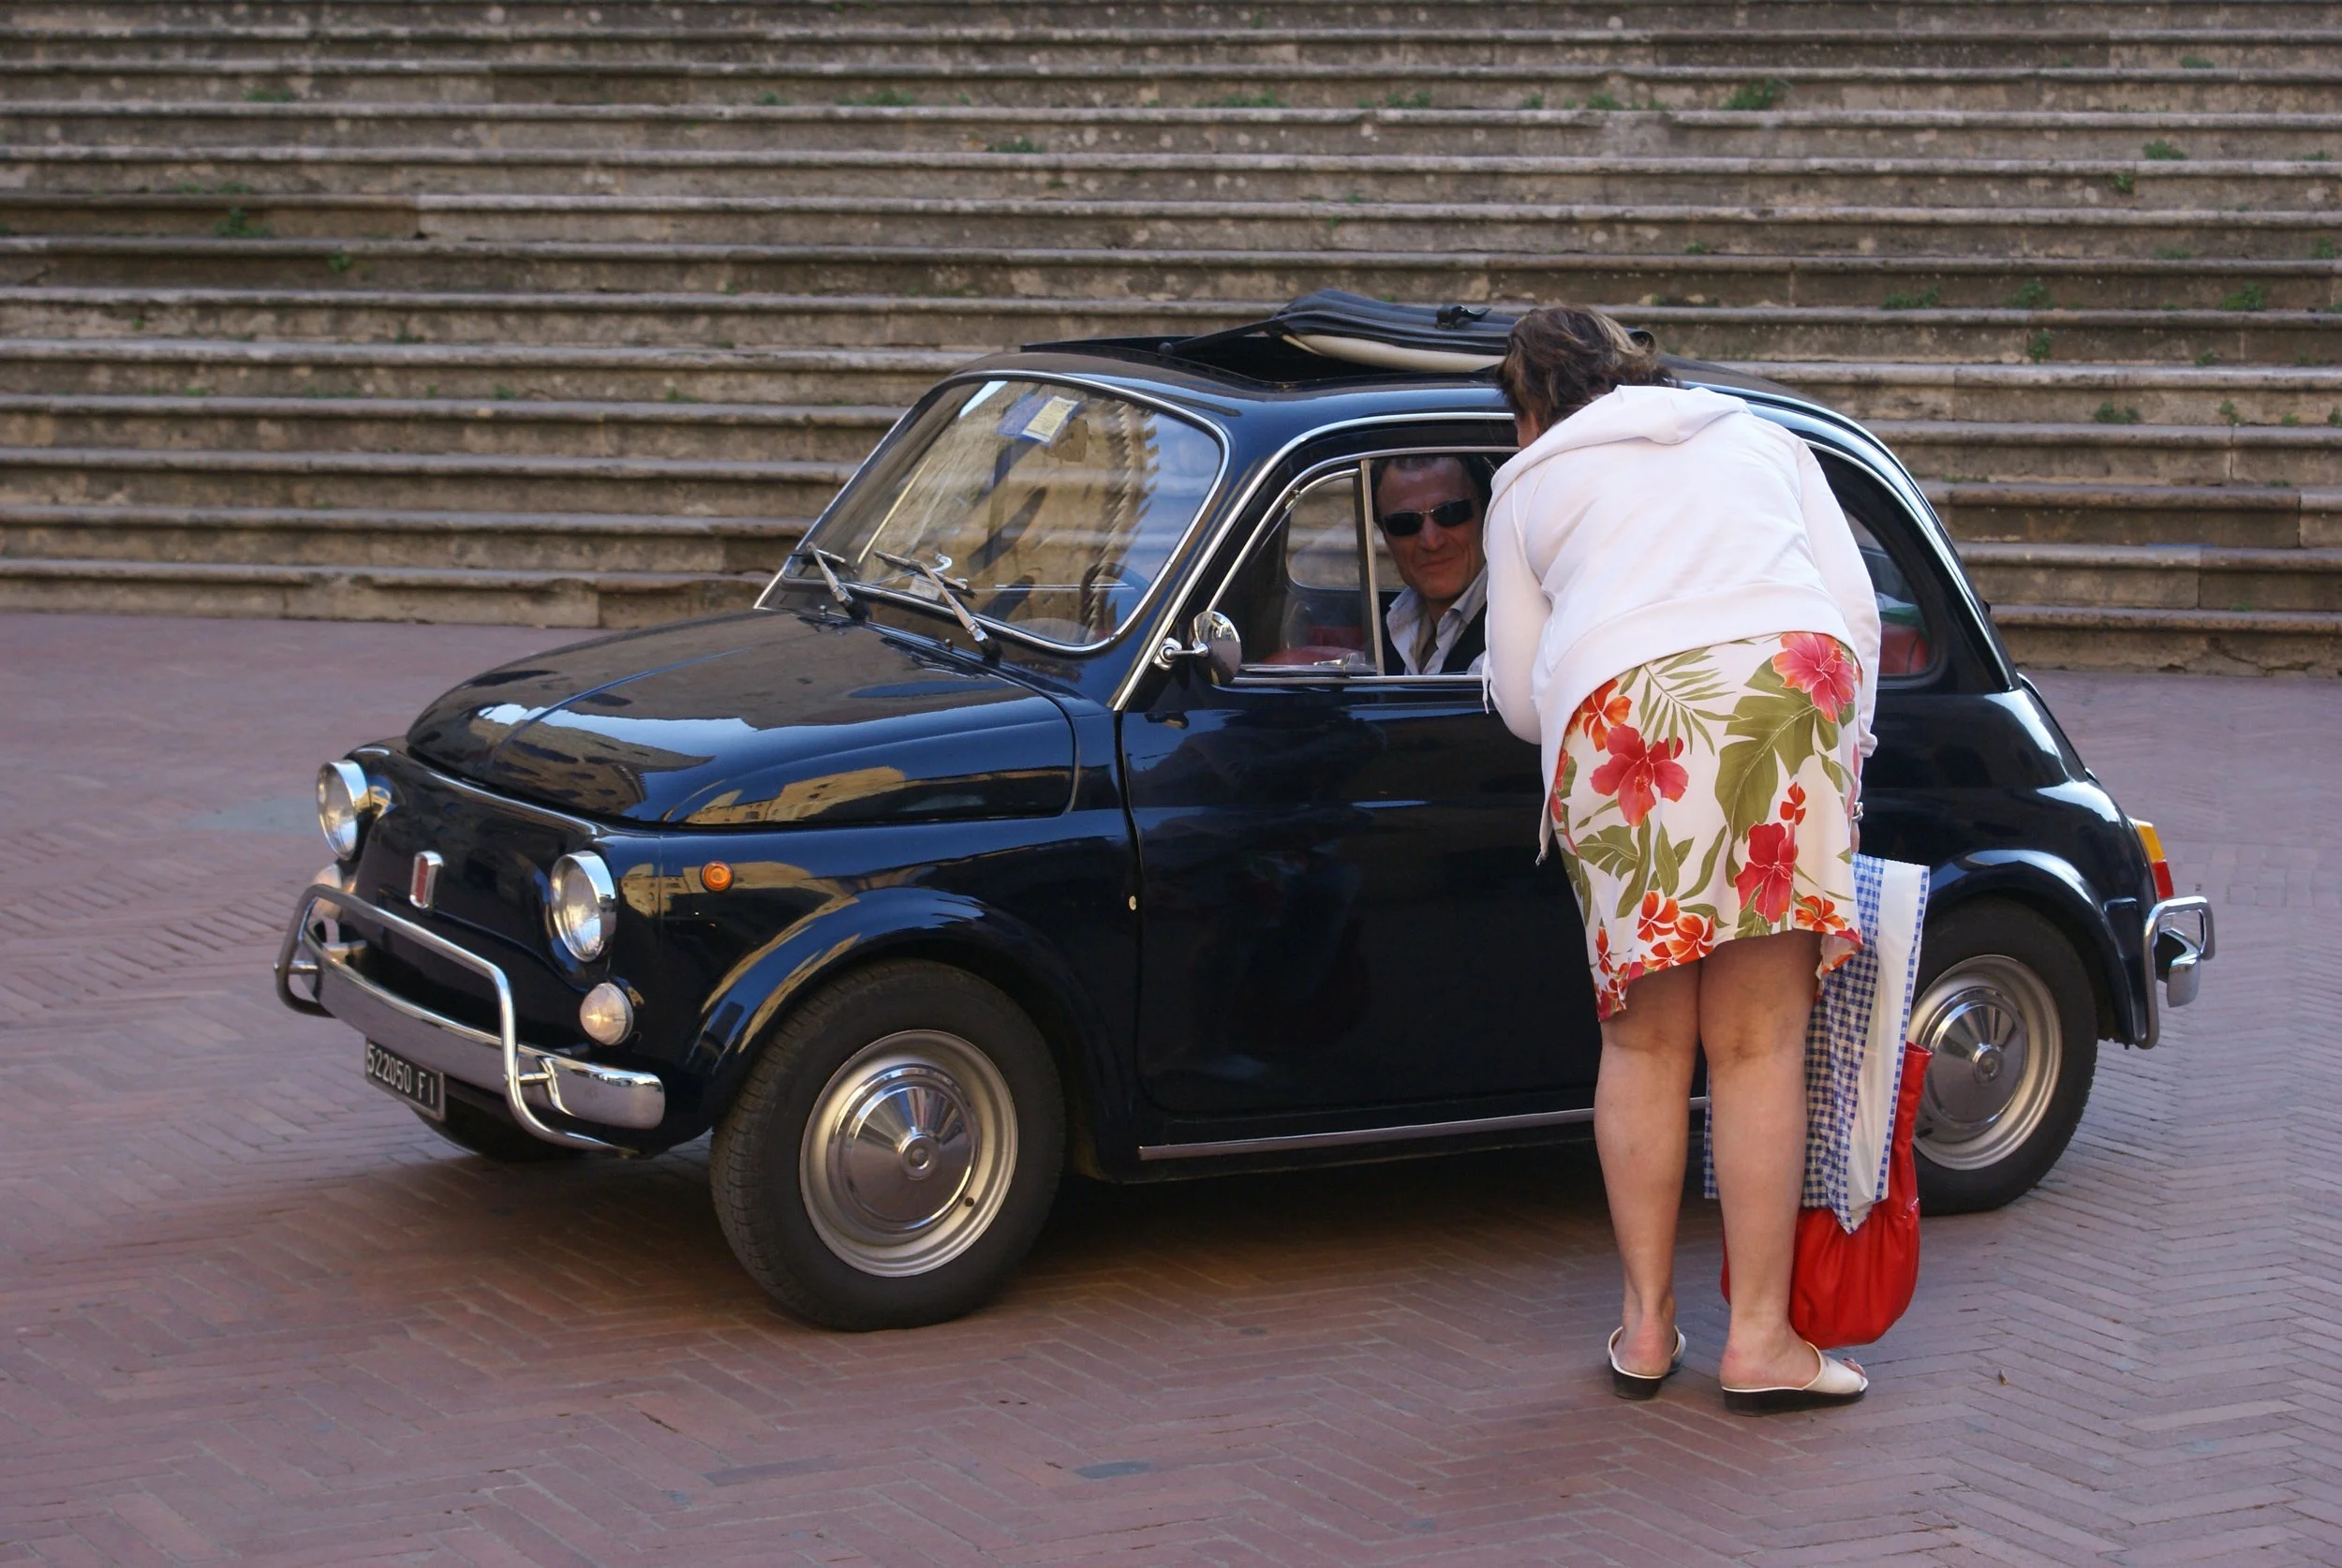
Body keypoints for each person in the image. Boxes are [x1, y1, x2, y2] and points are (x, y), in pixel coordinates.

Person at [1481, 306, 1884, 1415]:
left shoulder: (1526, 486)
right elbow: (1852, 610)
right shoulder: (1756, 432)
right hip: (1791, 685)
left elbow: (1521, 702)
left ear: (1528, 411)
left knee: (1646, 1039)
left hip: (1624, 718)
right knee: (1758, 1042)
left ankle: (1648, 1327)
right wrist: (1840, 758)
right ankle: (1760, 1340)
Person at [1371, 453, 1490, 676]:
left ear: (1486, 514)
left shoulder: (1515, 634)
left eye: (1451, 513)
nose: (1432, 542)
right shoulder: (1392, 625)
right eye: (1404, 523)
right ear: (1384, 535)